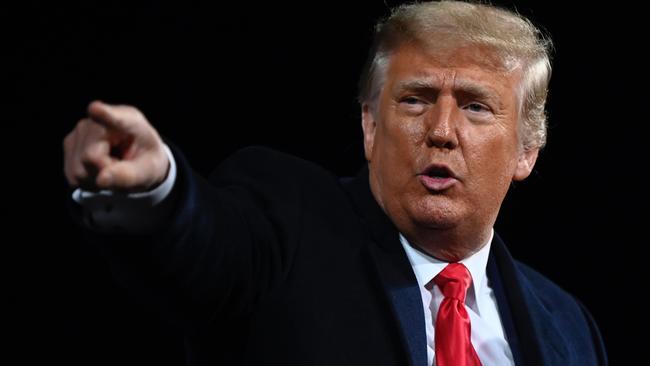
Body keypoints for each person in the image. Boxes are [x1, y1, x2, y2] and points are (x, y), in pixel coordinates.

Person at [63, 1, 607, 365]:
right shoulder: (287, 228)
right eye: (414, 99)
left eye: (475, 106)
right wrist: (155, 188)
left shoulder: (570, 328)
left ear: (527, 150)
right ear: (371, 126)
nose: (441, 131)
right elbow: (206, 242)